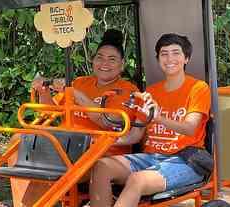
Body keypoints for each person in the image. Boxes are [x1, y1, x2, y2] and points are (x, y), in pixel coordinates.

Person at [3, 29, 144, 207]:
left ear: (122, 64)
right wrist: (44, 92)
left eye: (112, 59)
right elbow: (50, 112)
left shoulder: (127, 89)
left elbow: (108, 121)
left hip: (96, 151)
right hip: (62, 145)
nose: (104, 63)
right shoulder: (80, 82)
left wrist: (77, 95)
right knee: (19, 141)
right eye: (99, 57)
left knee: (42, 156)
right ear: (92, 60)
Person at [88, 33, 211, 207]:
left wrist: (159, 118)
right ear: (158, 59)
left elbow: (190, 128)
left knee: (137, 180)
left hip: (185, 160)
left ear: (186, 58)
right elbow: (136, 135)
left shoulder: (198, 88)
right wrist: (105, 141)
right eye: (164, 54)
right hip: (151, 157)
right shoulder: (151, 92)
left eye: (176, 53)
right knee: (101, 167)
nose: (170, 58)